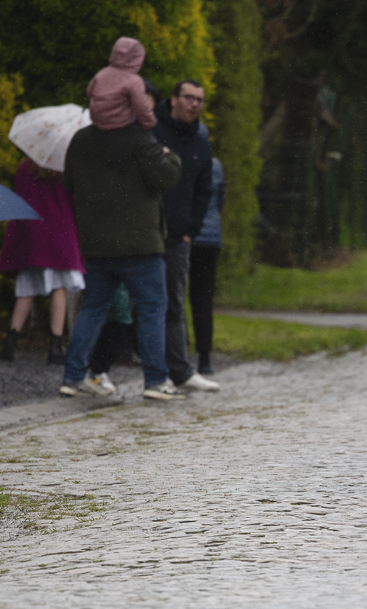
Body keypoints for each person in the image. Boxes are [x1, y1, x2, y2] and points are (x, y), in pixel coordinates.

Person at [61, 101, 182, 400]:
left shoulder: (82, 139)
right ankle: (155, 381)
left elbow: (70, 182)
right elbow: (165, 177)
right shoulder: (140, 138)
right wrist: (171, 157)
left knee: (93, 308)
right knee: (153, 308)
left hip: (98, 244)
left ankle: (73, 376)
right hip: (140, 245)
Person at [154, 80, 219, 392]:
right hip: (147, 229)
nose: (194, 104)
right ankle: (148, 370)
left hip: (179, 235)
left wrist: (191, 230)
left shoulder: (200, 140)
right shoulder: (152, 129)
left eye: (200, 100)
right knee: (141, 301)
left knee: (173, 303)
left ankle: (179, 370)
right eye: (189, 98)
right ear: (174, 99)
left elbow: (205, 187)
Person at [0, 157, 85, 364]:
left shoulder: (24, 167)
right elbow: (75, 200)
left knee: (26, 289)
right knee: (58, 288)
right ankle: (55, 346)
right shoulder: (65, 168)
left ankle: (10, 341)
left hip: (31, 231)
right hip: (60, 232)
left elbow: (18, 195)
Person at [189, 155, 225, 376]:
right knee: (203, 298)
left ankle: (178, 350)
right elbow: (220, 199)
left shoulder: (181, 159)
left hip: (184, 236)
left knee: (173, 296)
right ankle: (204, 358)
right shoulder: (215, 165)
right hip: (211, 237)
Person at [87, 37, 157, 132]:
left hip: (97, 121)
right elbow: (141, 106)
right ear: (137, 59)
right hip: (119, 124)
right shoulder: (134, 80)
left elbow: (89, 92)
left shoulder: (102, 73)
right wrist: (150, 123)